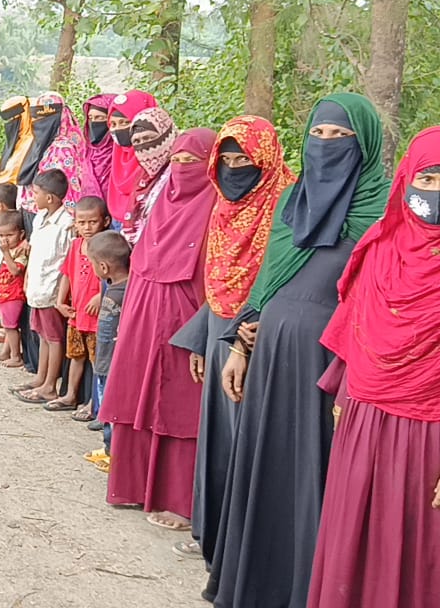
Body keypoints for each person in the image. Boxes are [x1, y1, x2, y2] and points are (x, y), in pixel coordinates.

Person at [207, 94, 390, 608]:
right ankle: (255, 587)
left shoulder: (382, 213)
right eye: (319, 135)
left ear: (367, 144)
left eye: (341, 137)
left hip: (332, 365)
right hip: (269, 357)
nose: (326, 145)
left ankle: (308, 591)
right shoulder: (293, 203)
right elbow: (267, 281)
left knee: (319, 471)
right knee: (269, 466)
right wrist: (241, 343)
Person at [306, 126, 440, 608]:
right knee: (355, 536)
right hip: (364, 418)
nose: (434, 192)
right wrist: (343, 397)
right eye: (426, 179)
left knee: (420, 552)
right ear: (405, 181)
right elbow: (353, 334)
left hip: (431, 434)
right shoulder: (380, 250)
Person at [168, 115, 293, 563]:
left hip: (262, 340)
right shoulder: (224, 208)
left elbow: (279, 279)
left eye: (246, 159)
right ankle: (211, 535)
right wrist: (206, 335)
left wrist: (242, 338)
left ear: (266, 158)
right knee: (219, 441)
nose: (235, 169)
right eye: (228, 159)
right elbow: (219, 282)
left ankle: (243, 549)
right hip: (221, 331)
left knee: (250, 444)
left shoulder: (287, 205)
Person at [100, 128, 217, 531]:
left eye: (194, 162)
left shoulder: (216, 209)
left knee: (177, 406)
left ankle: (178, 499)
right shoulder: (160, 202)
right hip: (144, 311)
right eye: (179, 161)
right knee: (136, 396)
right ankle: (132, 485)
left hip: (186, 317)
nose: (184, 169)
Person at [14, 169, 73, 404]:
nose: (32, 196)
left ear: (50, 197)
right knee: (43, 335)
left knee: (54, 338)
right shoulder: (39, 218)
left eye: (36, 193)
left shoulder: (66, 224)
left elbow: (65, 260)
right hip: (37, 287)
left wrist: (61, 294)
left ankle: (50, 385)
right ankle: (41, 377)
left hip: (51, 290)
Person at [52, 195, 109, 413]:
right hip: (76, 313)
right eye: (81, 222)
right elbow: (66, 273)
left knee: (97, 362)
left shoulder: (107, 245)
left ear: (104, 221)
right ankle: (70, 395)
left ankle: (95, 404)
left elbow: (116, 277)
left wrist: (100, 295)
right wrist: (60, 300)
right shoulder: (76, 245)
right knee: (76, 356)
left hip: (96, 318)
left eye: (92, 222)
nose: (86, 227)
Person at [83, 230, 132, 472]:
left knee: (110, 409)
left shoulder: (123, 293)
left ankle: (114, 453)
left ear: (103, 267)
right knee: (105, 409)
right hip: (104, 357)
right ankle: (107, 447)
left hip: (112, 361)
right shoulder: (118, 287)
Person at [119, 107, 177, 245]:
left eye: (149, 138)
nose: (145, 147)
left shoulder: (180, 172)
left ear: (167, 134)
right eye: (137, 142)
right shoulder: (142, 177)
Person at [105, 90, 158, 227]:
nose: (118, 129)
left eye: (124, 122)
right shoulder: (118, 157)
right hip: (118, 226)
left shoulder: (157, 160)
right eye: (113, 124)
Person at [0, 209, 29, 368]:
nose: (4, 239)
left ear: (21, 234)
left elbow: (15, 270)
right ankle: (6, 351)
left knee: (11, 327)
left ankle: (16, 356)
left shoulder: (19, 251)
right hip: (3, 293)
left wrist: (5, 254)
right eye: (1, 236)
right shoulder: (7, 249)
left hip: (13, 294)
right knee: (7, 325)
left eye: (9, 235)